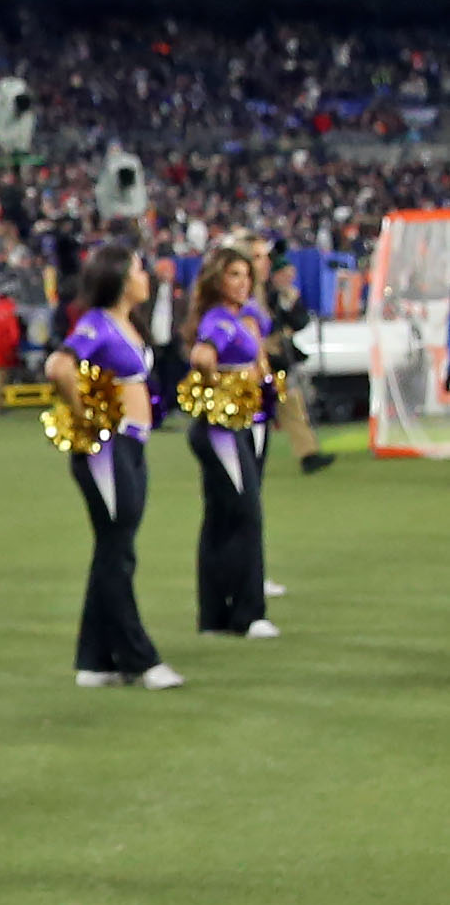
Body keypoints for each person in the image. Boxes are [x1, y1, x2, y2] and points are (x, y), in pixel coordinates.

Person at [46, 242, 178, 690]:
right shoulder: (96, 323)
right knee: (118, 552)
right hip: (107, 450)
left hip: (132, 446)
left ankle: (95, 659)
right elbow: (58, 366)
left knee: (114, 550)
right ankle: (140, 658)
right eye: (140, 268)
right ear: (120, 278)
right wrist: (84, 415)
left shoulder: (127, 322)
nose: (146, 276)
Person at [182, 243, 280, 642]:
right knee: (247, 515)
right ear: (217, 280)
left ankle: (213, 616)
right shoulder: (219, 320)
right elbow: (202, 357)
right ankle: (249, 614)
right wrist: (220, 389)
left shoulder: (238, 316)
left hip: (239, 425)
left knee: (221, 518)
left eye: (246, 275)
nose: (243, 282)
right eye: (234, 275)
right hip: (223, 427)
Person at [247, 235, 330, 479]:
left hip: (276, 359)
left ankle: (308, 453)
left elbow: (300, 321)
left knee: (291, 404)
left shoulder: (281, 295)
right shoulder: (260, 294)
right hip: (262, 357)